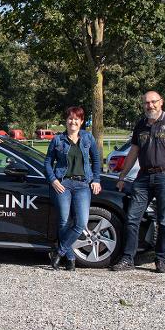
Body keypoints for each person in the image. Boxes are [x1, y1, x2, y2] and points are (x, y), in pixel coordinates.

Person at [113, 90, 165, 274]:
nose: (150, 105)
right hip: (143, 177)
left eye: (153, 102)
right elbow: (133, 152)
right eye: (146, 103)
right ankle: (127, 259)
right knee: (132, 218)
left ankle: (161, 259)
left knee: (164, 220)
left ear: (161, 102)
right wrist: (122, 176)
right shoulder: (140, 124)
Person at [43, 106, 102, 271]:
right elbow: (47, 163)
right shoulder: (57, 140)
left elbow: (96, 160)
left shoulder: (88, 138)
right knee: (64, 221)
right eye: (70, 118)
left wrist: (96, 179)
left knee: (81, 223)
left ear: (82, 121)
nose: (73, 122)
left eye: (76, 119)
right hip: (63, 184)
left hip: (83, 185)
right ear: (66, 121)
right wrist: (53, 180)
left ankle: (59, 251)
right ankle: (70, 258)